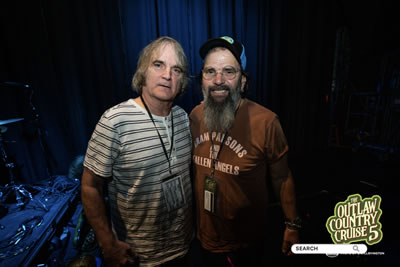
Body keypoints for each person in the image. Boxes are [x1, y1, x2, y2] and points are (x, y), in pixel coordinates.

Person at [81, 36, 194, 267]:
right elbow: (90, 186)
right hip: (138, 257)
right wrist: (108, 244)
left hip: (185, 248)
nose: (167, 75)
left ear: (182, 81)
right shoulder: (115, 121)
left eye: (177, 69)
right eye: (158, 64)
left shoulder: (183, 118)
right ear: (142, 71)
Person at [189, 36, 300, 266]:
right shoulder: (195, 116)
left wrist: (292, 225)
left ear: (242, 82)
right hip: (203, 240)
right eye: (210, 71)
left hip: (247, 245)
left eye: (229, 71)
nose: (218, 80)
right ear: (202, 80)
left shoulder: (266, 122)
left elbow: (282, 177)